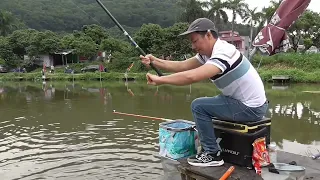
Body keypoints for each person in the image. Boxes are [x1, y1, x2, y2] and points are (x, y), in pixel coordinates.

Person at [139, 18, 268, 167]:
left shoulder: (223, 52)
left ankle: (212, 154)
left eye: (195, 41)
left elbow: (191, 76)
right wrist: (154, 61)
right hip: (245, 103)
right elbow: (182, 66)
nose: (193, 46)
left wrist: (161, 80)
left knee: (199, 106)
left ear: (208, 35)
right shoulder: (208, 54)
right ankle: (211, 149)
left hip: (250, 108)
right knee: (206, 104)